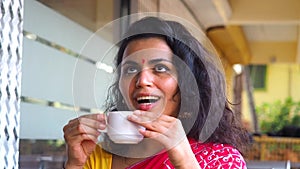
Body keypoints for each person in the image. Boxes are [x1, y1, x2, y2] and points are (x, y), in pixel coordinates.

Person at [63, 16, 250, 169]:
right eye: (129, 69)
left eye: (160, 68)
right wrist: (74, 165)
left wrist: (184, 160)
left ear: (187, 84)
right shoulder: (96, 156)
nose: (142, 80)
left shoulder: (221, 160)